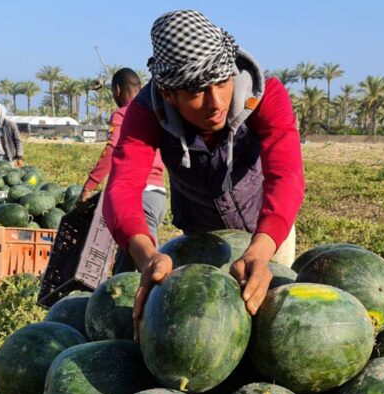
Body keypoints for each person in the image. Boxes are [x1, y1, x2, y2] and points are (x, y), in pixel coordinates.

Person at [102, 10, 304, 338]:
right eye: (196, 92)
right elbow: (122, 187)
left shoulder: (265, 94)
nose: (215, 103)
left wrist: (263, 247)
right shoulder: (145, 112)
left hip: (266, 227)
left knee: (271, 335)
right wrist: (146, 255)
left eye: (222, 83)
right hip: (200, 235)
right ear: (168, 93)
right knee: (206, 335)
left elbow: (287, 175)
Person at [79, 68, 166, 274]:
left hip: (140, 197)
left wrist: (89, 185)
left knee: (147, 265)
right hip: (158, 195)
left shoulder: (124, 114)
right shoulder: (154, 114)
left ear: (117, 90)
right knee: (129, 262)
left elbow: (112, 149)